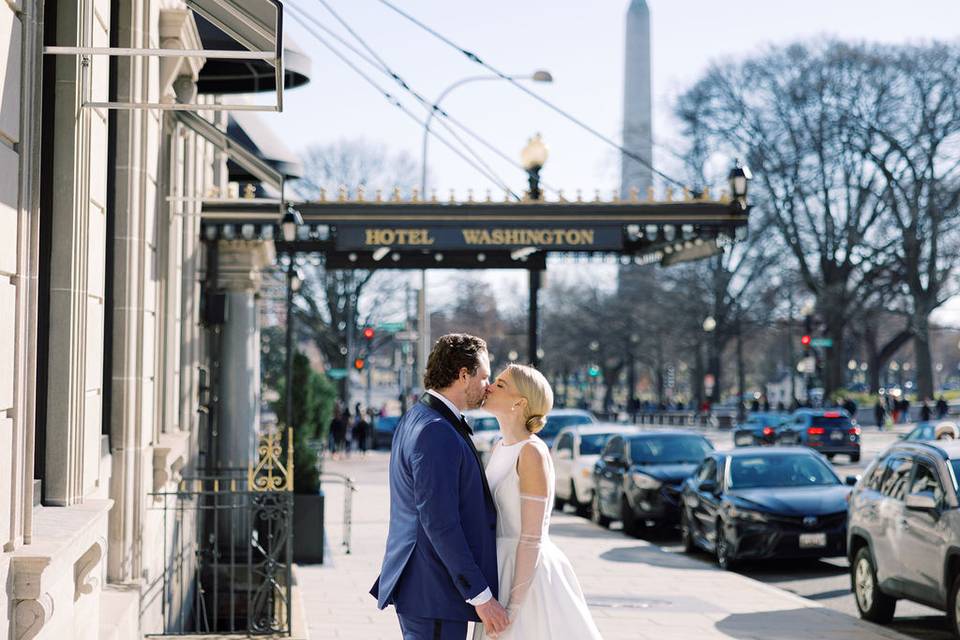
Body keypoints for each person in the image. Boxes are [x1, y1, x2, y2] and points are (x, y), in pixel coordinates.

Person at [371, 334, 508, 640]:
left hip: (427, 591)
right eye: (484, 376)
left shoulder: (418, 416)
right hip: (433, 592)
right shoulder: (436, 430)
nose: (487, 385)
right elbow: (440, 522)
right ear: (463, 375)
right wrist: (481, 596)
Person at [474, 363, 603, 640]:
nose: (490, 387)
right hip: (498, 567)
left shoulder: (532, 452)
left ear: (520, 403)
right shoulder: (499, 447)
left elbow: (531, 537)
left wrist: (513, 607)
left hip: (527, 576)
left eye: (500, 384)